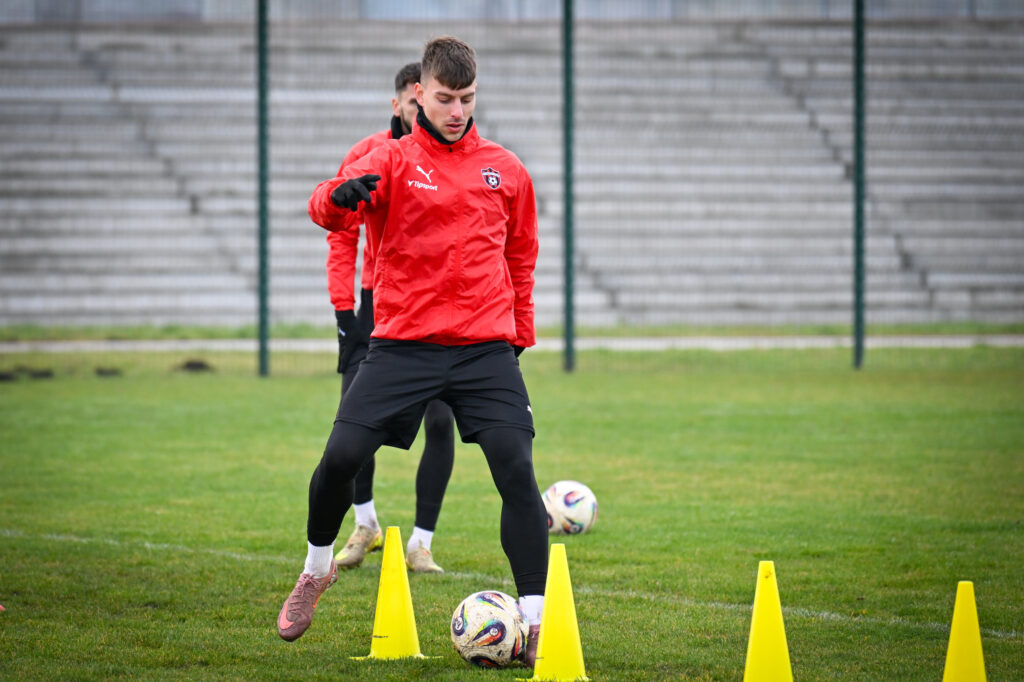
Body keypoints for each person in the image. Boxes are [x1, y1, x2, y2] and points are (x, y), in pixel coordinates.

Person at [280, 36, 548, 666]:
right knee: (340, 457)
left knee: (516, 468)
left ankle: (534, 621)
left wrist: (518, 336)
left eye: (467, 99)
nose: (457, 111)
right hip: (403, 345)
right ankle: (316, 570)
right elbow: (326, 208)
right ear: (418, 95)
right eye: (446, 98)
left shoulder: (506, 169)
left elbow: (521, 256)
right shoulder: (390, 160)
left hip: (484, 348)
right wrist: (337, 198)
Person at [323, 62, 454, 575]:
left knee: (441, 420)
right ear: (399, 103)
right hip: (376, 304)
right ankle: (365, 524)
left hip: (438, 307)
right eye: (414, 103)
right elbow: (341, 234)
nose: (424, 111)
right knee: (355, 419)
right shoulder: (369, 155)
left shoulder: (452, 157)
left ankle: (422, 543)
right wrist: (344, 312)